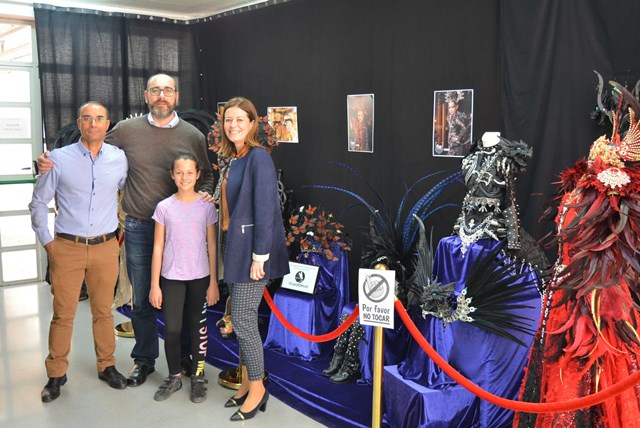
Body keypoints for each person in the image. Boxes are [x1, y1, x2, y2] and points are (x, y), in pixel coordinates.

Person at [37, 73, 215, 387]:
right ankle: (144, 360)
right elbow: (92, 149)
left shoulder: (192, 135)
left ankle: (185, 358)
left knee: (184, 300)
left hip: (182, 232)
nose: (162, 96)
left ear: (176, 96)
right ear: (146, 96)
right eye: (155, 90)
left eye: (168, 90)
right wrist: (48, 161)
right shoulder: (126, 131)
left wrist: (205, 195)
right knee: (143, 299)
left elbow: (207, 176)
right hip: (140, 227)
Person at [514, 103, 640, 426]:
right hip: (563, 297)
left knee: (595, 381)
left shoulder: (615, 198)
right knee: (561, 375)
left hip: (597, 300)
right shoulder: (581, 190)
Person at [29, 101, 129, 402]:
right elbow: (37, 202)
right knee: (63, 315)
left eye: (99, 118)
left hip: (106, 247)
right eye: (88, 118)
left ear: (107, 123)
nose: (94, 124)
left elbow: (128, 189)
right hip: (67, 247)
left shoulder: (119, 158)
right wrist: (49, 243)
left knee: (103, 312)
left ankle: (107, 365)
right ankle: (56, 374)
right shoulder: (58, 159)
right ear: (79, 123)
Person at [217, 97, 289, 421]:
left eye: (239, 120)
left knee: (244, 320)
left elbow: (266, 210)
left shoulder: (259, 157)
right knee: (242, 320)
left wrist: (261, 256)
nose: (233, 125)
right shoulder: (233, 157)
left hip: (252, 254)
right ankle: (247, 382)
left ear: (251, 124)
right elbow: (233, 203)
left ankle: (258, 388)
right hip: (232, 247)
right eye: (228, 120)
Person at [149, 153, 220, 403]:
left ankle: (198, 377)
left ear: (198, 174)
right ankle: (174, 376)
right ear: (172, 175)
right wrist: (154, 285)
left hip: (200, 277)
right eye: (179, 172)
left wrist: (213, 282)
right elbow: (158, 247)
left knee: (198, 328)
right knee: (173, 330)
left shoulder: (206, 207)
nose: (184, 177)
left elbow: (212, 245)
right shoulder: (164, 207)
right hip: (172, 278)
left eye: (190, 172)